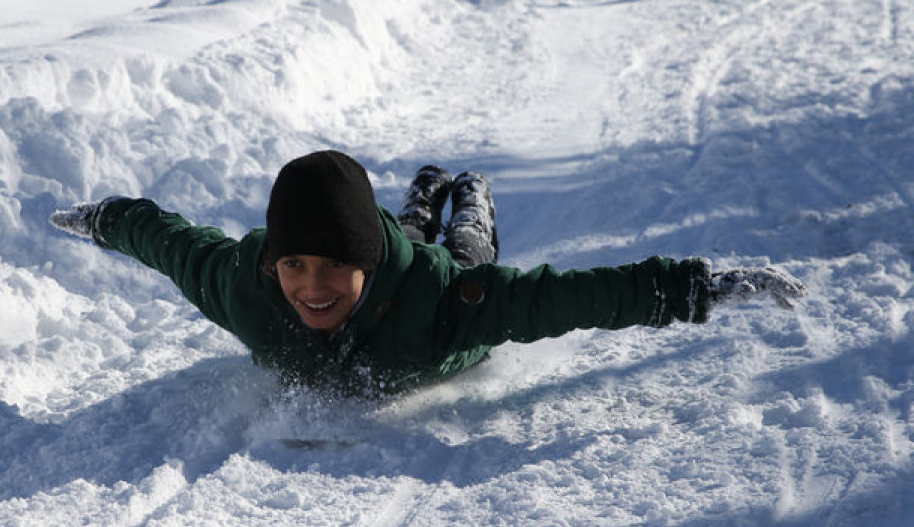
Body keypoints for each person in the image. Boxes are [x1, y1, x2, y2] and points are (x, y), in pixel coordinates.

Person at [50, 150, 805, 396]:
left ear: (363, 265)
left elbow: (576, 297)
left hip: (434, 281)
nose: (311, 286)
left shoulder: (449, 304)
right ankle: (421, 201)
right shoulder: (243, 284)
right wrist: (104, 216)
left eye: (333, 269)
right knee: (405, 240)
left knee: (464, 249)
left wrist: (700, 287)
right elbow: (166, 239)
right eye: (294, 265)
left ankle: (466, 201)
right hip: (392, 261)